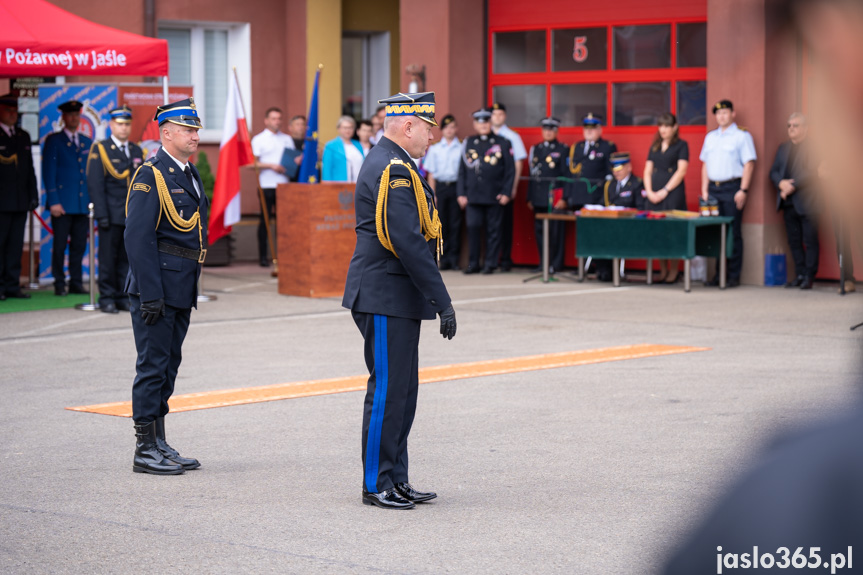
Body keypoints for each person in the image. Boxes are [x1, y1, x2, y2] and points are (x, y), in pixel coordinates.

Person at [342, 91, 457, 510]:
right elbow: (407, 242)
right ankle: (376, 482)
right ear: (407, 126)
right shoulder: (392, 167)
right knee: (389, 390)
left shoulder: (400, 164)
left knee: (403, 392)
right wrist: (442, 299)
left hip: (396, 295)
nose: (431, 138)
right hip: (386, 294)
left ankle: (396, 477)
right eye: (428, 129)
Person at [124, 97, 208, 476]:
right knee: (152, 366)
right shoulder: (150, 174)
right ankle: (144, 448)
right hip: (156, 286)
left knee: (168, 366)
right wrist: (150, 293)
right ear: (167, 132)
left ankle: (159, 441)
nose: (194, 136)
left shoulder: (188, 173)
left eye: (195, 130)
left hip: (180, 285)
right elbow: (138, 238)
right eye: (188, 129)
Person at [86, 105, 144, 312]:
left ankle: (122, 296)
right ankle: (107, 298)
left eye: (127, 124)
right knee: (108, 260)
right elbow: (95, 184)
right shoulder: (100, 149)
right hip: (110, 215)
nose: (124, 128)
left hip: (132, 217)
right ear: (111, 125)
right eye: (120, 124)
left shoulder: (137, 150)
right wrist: (101, 214)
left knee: (127, 260)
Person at [699, 100, 757, 288]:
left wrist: (743, 190)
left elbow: (749, 163)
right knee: (716, 233)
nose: (721, 116)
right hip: (714, 190)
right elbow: (705, 164)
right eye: (718, 113)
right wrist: (705, 189)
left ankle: (733, 276)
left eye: (725, 112)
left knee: (733, 232)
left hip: (732, 188)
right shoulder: (710, 137)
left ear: (732, 114)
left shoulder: (741, 136)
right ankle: (718, 276)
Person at [42, 100, 93, 296]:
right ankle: (59, 282)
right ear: (63, 117)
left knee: (79, 246)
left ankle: (76, 282)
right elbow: (49, 172)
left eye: (76, 115)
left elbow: (89, 173)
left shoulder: (87, 141)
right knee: (60, 245)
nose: (74, 118)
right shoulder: (54, 140)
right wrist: (53, 201)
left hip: (81, 204)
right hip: (62, 204)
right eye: (70, 115)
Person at [457, 108, 515, 274]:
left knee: (493, 231)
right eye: (480, 122)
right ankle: (473, 263)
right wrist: (461, 193)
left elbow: (510, 170)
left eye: (486, 122)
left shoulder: (503, 142)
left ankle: (490, 263)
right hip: (473, 195)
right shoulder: (468, 142)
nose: (483, 125)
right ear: (475, 124)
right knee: (473, 228)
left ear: (490, 123)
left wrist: (506, 192)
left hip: (494, 195)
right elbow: (462, 170)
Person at [561, 113, 617, 281]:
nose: (589, 132)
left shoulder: (607, 147)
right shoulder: (576, 147)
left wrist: (606, 199)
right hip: (579, 197)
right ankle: (583, 267)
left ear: (600, 129)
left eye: (593, 129)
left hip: (597, 199)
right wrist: (566, 197)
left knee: (599, 234)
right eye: (586, 129)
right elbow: (571, 174)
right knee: (583, 234)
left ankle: (603, 268)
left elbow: (610, 175)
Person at [770, 113, 819, 289]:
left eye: (795, 125)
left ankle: (809, 276)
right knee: (794, 241)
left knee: (810, 240)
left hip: (808, 203)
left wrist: (792, 186)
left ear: (805, 128)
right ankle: (799, 274)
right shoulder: (783, 148)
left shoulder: (814, 147)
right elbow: (773, 171)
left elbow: (813, 172)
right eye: (789, 126)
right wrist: (780, 183)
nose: (791, 129)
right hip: (788, 203)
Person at [0, 93, 38, 301]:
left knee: (15, 245)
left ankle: (12, 285)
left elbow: (29, 170)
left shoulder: (22, 136)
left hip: (20, 201)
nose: (13, 115)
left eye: (15, 111)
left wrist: (32, 195)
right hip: (2, 203)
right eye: (8, 111)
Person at [644, 112, 690, 283]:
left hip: (672, 194)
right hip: (654, 193)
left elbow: (681, 171)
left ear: (675, 127)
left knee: (672, 231)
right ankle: (662, 270)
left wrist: (665, 190)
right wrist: (649, 191)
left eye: (666, 126)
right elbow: (647, 170)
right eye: (661, 126)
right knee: (658, 233)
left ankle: (673, 271)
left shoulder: (681, 145)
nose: (663, 129)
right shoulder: (655, 145)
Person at [251, 107, 295, 267]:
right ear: (266, 120)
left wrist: (294, 162)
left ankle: (284, 255)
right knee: (265, 221)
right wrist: (271, 166)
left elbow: (291, 159)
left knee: (285, 222)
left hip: (284, 184)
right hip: (266, 184)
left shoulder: (287, 139)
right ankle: (263, 256)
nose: (277, 122)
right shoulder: (258, 139)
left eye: (279, 119)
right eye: (274, 118)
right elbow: (253, 162)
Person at [526, 116, 568, 274]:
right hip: (538, 197)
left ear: (556, 131)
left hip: (554, 198)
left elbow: (566, 175)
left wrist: (564, 198)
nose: (548, 132)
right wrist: (529, 197)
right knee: (540, 232)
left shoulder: (563, 149)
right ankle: (543, 264)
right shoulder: (535, 149)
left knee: (556, 232)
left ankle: (555, 265)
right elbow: (532, 174)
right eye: (545, 129)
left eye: (551, 130)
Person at [490, 102, 527, 272]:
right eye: (494, 114)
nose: (497, 117)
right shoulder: (485, 134)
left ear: (504, 116)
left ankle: (505, 259)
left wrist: (513, 187)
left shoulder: (512, 136)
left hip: (505, 187)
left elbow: (518, 163)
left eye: (500, 114)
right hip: (488, 190)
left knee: (505, 226)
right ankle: (490, 260)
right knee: (490, 226)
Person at [424, 114, 463, 270]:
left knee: (456, 224)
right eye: (446, 127)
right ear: (442, 130)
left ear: (456, 129)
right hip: (441, 188)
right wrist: (433, 194)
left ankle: (454, 259)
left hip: (456, 186)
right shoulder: (435, 149)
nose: (449, 130)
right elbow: (431, 174)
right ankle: (443, 259)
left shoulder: (461, 147)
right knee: (441, 224)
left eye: (452, 127)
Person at [322, 116, 365, 182]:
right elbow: (326, 170)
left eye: (350, 128)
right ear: (338, 129)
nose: (348, 130)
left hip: (358, 186)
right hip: (339, 187)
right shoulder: (331, 145)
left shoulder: (358, 145)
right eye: (345, 128)